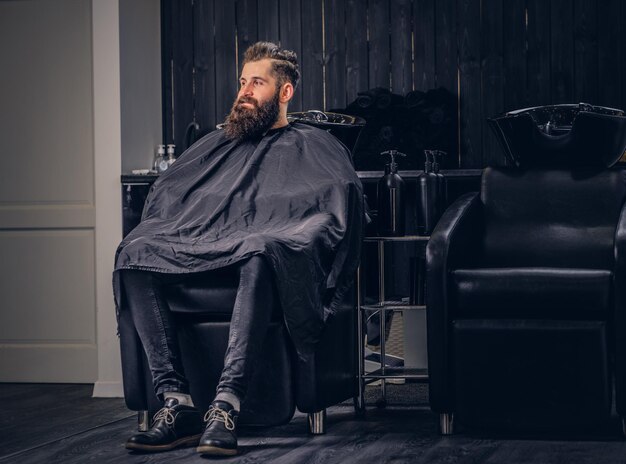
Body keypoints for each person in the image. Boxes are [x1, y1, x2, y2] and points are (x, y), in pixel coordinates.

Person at [113, 42, 364, 457]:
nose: (244, 91)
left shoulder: (314, 145)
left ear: (284, 93)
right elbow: (171, 198)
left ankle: (225, 405)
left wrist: (280, 230)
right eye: (243, 82)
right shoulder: (216, 145)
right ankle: (176, 401)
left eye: (257, 83)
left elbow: (334, 206)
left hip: (259, 252)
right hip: (202, 245)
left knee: (261, 248)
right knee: (134, 251)